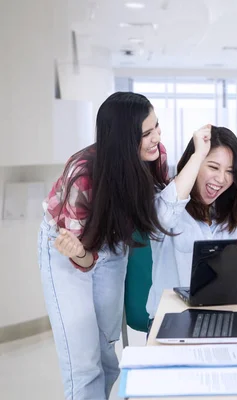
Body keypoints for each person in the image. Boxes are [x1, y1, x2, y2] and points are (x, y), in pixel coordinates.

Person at [38, 92, 170, 399]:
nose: (157, 139)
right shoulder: (83, 176)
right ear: (124, 138)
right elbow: (83, 259)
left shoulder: (154, 156)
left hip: (112, 242)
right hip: (69, 248)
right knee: (84, 364)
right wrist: (80, 252)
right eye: (146, 134)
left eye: (157, 128)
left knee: (107, 352)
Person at [146, 124, 237, 319]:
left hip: (221, 314)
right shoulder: (163, 204)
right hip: (171, 317)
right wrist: (198, 155)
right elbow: (164, 216)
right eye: (213, 167)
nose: (221, 179)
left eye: (230, 171)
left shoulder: (229, 209)